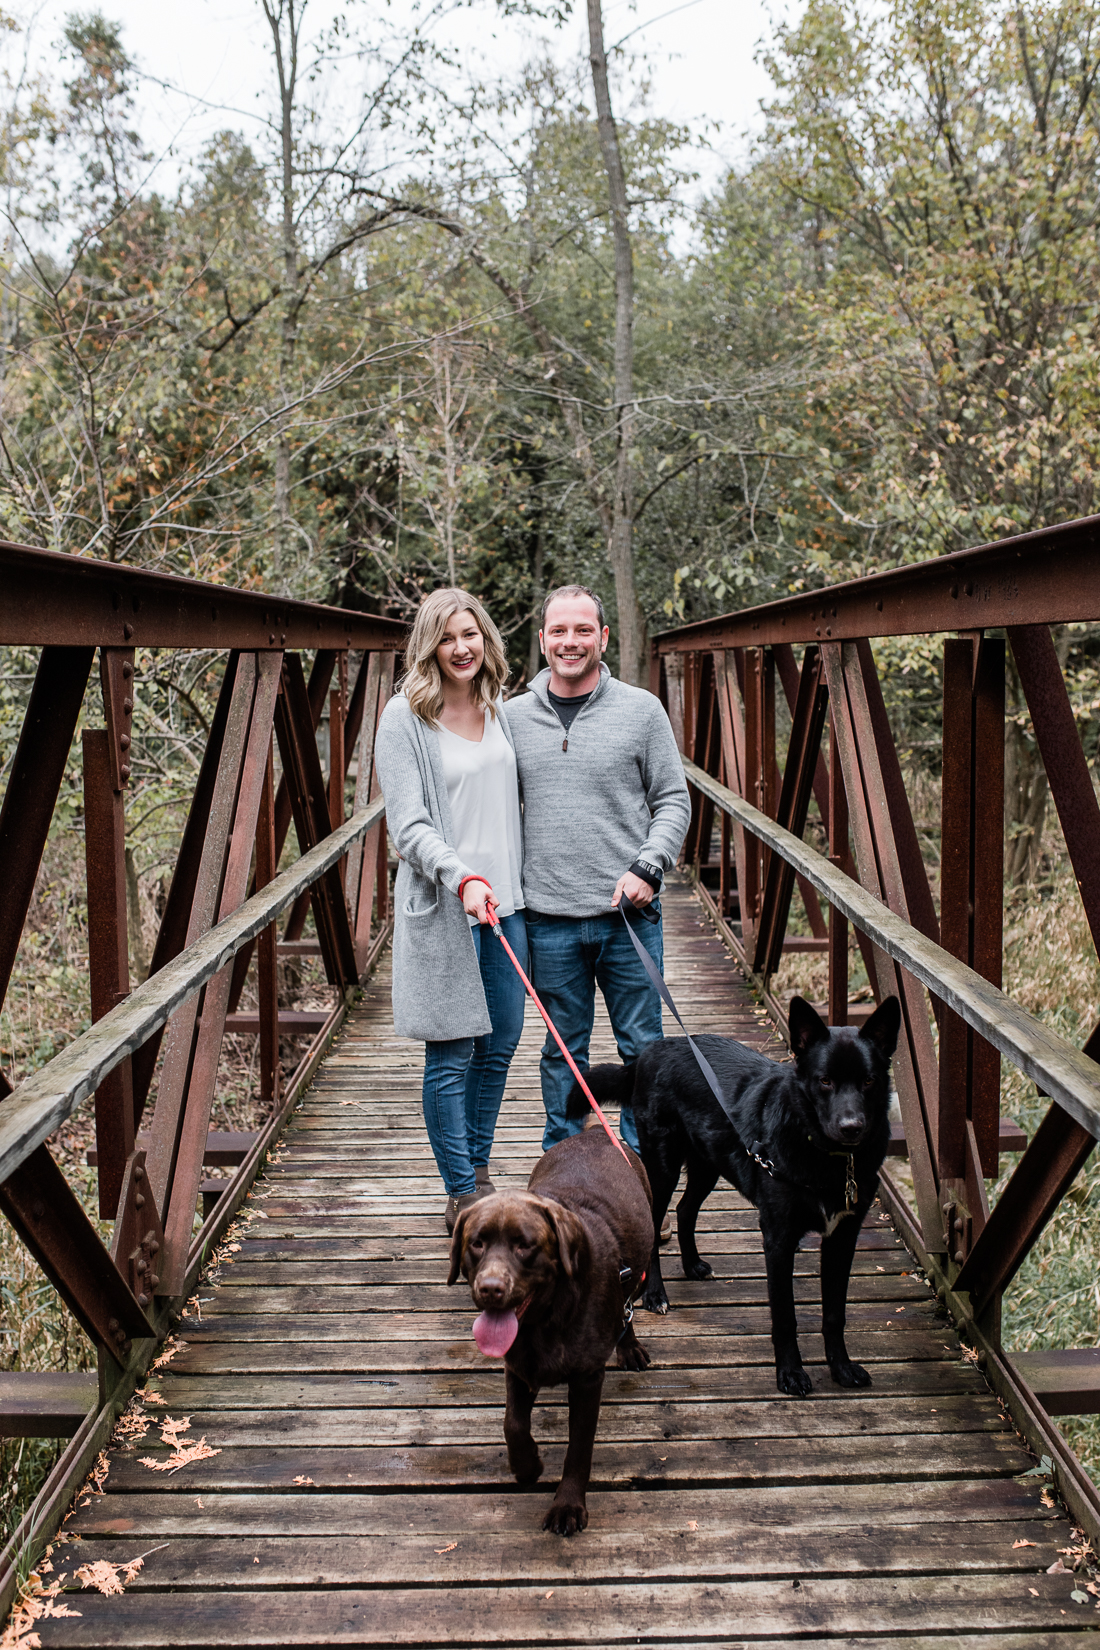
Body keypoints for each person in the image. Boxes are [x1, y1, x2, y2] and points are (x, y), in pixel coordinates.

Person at [504, 583, 691, 1154]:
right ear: (541, 641)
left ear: (603, 637)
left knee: (644, 1050)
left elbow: (673, 801)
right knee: (563, 1051)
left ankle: (640, 1171)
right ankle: (563, 1162)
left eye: (583, 630)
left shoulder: (641, 710)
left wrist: (649, 866)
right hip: (548, 919)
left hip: (628, 917)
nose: (571, 641)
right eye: (559, 631)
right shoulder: (510, 719)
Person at [374, 587, 529, 1233]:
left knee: (499, 1047)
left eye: (469, 634)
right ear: (427, 647)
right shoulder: (402, 718)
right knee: (452, 1054)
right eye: (446, 637)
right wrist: (460, 874)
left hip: (510, 906)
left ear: (484, 638)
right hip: (448, 909)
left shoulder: (502, 707)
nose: (460, 648)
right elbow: (407, 825)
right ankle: (462, 1194)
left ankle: (480, 1164)